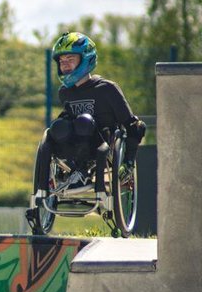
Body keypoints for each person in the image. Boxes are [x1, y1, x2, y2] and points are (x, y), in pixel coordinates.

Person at [33, 31, 146, 201]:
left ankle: (82, 173)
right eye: (62, 61)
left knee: (83, 122)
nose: (65, 65)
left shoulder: (107, 89)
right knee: (57, 127)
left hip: (100, 144)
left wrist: (128, 162)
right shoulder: (64, 92)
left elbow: (135, 127)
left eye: (70, 59)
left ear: (86, 58)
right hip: (72, 147)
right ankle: (62, 180)